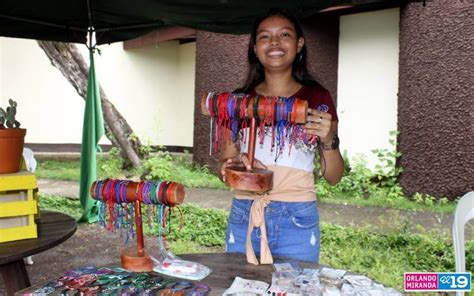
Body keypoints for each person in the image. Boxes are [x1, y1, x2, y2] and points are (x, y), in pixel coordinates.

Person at [219, 8, 344, 265]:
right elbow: (226, 168)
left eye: (284, 34)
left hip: (297, 218)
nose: (274, 42)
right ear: (255, 47)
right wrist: (231, 169)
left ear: (299, 44)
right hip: (246, 214)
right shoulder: (238, 102)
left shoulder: (318, 99)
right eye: (265, 37)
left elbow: (334, 177)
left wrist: (329, 138)